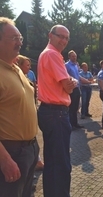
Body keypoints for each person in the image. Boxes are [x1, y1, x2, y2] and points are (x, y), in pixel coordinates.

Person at [0, 17, 39, 197]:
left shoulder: (16, 69)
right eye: (14, 38)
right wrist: (4, 160)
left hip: (29, 149)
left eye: (20, 38)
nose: (19, 43)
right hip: (11, 152)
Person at [37, 24, 77, 197]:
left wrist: (71, 81)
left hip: (50, 113)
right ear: (50, 35)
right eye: (60, 36)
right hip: (56, 114)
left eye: (66, 38)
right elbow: (67, 87)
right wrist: (72, 83)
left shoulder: (46, 54)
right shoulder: (53, 54)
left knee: (53, 163)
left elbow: (67, 82)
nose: (64, 41)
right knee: (61, 165)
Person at [16, 55, 44, 171]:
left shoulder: (30, 74)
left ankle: (36, 162)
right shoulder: (16, 77)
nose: (29, 67)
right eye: (27, 65)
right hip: (20, 121)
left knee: (33, 140)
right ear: (20, 65)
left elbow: (35, 85)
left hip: (31, 110)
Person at [65, 50, 90, 129]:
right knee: (71, 108)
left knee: (76, 107)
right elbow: (66, 77)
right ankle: (71, 125)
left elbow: (78, 77)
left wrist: (88, 81)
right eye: (72, 56)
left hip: (77, 88)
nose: (74, 57)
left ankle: (75, 123)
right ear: (69, 57)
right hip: (72, 89)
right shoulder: (66, 65)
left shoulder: (76, 65)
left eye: (75, 56)